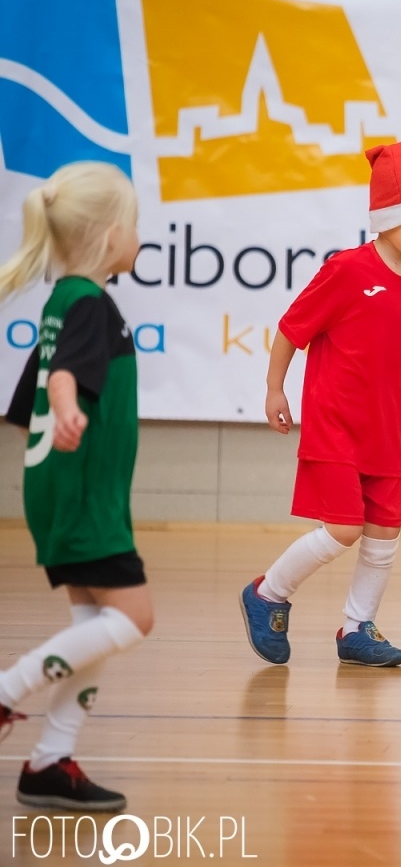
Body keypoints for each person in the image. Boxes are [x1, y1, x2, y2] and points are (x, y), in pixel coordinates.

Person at [239, 138, 401, 668]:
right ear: (387, 216)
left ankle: (357, 629)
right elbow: (291, 330)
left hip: (392, 432)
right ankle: (268, 594)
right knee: (343, 528)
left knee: (384, 532)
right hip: (337, 427)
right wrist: (274, 388)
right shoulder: (347, 270)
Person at [0, 161, 153, 811]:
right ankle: (8, 690)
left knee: (96, 621)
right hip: (86, 496)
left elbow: (28, 394)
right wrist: (67, 408)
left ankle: (49, 764)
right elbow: (61, 377)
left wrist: (57, 409)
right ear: (111, 235)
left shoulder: (63, 299)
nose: (140, 237)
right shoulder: (89, 302)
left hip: (66, 491)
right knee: (134, 617)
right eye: (137, 226)